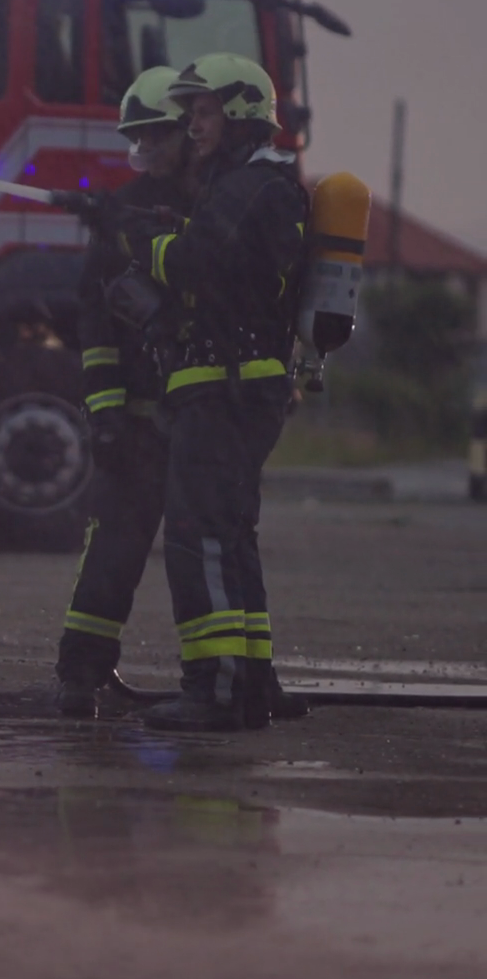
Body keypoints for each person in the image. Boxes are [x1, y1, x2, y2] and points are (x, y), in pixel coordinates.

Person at [125, 53, 310, 732]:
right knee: (230, 536)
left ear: (238, 111)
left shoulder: (248, 187)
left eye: (203, 112)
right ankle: (253, 682)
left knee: (198, 536)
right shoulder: (254, 184)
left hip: (223, 389)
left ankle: (214, 690)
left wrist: (137, 238)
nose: (193, 125)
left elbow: (191, 262)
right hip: (240, 386)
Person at [53, 66, 193, 719]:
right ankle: (80, 674)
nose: (149, 149)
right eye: (139, 137)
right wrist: (105, 414)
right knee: (111, 551)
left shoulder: (221, 205)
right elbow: (95, 320)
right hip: (138, 420)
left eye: (160, 134)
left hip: (203, 417)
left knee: (201, 555)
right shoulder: (118, 211)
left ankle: (218, 680)